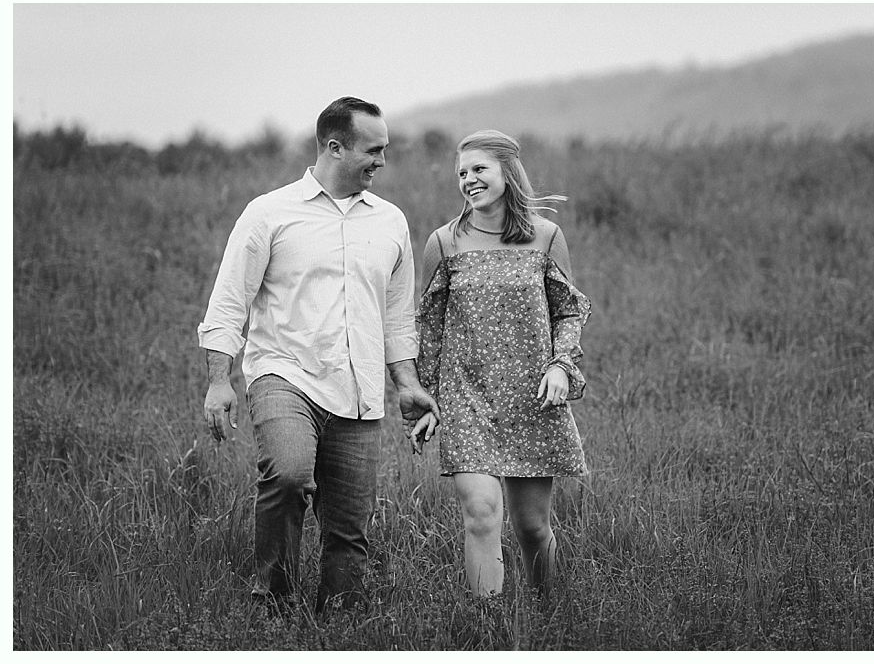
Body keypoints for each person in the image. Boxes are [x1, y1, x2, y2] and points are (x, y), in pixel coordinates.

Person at [197, 96, 438, 615]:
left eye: (385, 149)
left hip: (359, 388)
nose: (382, 161)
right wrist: (220, 381)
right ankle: (274, 605)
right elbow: (229, 302)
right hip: (285, 373)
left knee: (348, 528)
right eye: (374, 150)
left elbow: (398, 317)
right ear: (334, 147)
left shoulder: (390, 222)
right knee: (287, 475)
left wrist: (408, 385)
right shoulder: (270, 213)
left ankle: (340, 623)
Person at [410, 129, 591, 598]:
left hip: (532, 397)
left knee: (532, 527)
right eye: (461, 173)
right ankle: (487, 625)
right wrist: (426, 400)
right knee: (481, 513)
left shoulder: (546, 237)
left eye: (479, 169)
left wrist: (560, 365)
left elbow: (567, 311)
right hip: (467, 398)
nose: (468, 179)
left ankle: (550, 613)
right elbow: (428, 329)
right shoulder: (444, 243)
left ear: (507, 172)